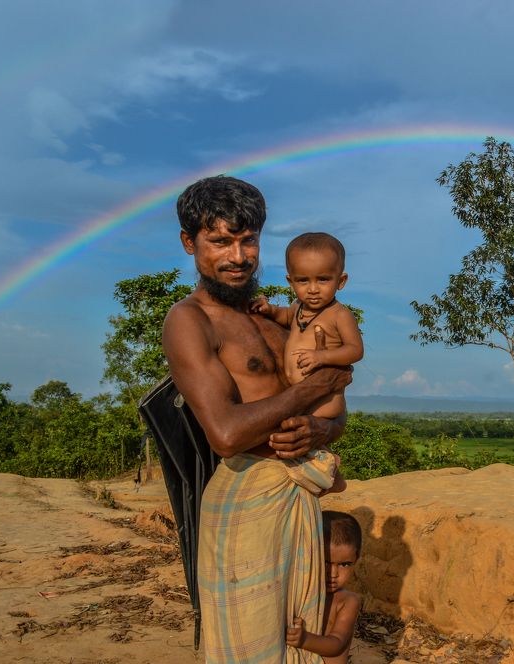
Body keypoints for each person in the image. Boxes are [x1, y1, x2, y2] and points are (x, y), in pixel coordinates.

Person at [162, 175, 352, 663]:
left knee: (297, 632)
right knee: (247, 647)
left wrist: (322, 428)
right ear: (190, 243)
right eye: (220, 241)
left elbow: (334, 408)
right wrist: (314, 388)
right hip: (244, 500)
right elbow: (226, 434)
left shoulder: (276, 318)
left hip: (295, 497)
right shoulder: (189, 321)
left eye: (248, 240)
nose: (238, 256)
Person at [251, 232, 364, 494]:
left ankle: (330, 470)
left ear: (341, 281)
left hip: (324, 397)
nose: (313, 289)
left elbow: (355, 350)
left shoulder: (339, 315)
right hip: (301, 395)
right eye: (303, 280)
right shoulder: (298, 307)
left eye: (323, 279)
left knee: (302, 434)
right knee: (295, 435)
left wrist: (321, 357)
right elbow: (285, 316)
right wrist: (269, 311)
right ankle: (325, 467)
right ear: (291, 282)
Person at [286, 511, 363, 663]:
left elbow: (337, 644)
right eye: (326, 562)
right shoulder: (301, 591)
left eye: (345, 564)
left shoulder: (348, 601)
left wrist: (305, 639)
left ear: (357, 558)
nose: (333, 573)